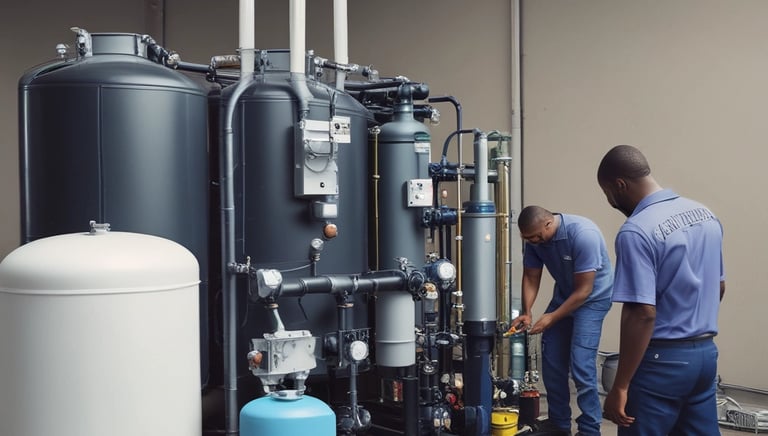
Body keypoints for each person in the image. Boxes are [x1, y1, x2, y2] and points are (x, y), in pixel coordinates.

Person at [597, 144, 725, 435]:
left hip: (661, 363)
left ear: (619, 185)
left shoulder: (636, 230)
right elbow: (719, 285)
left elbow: (642, 313)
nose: (610, 202)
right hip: (705, 356)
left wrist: (621, 385)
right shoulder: (704, 214)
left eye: (607, 194)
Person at [511, 205, 613, 436]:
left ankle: (589, 429)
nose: (533, 241)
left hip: (592, 300)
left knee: (581, 363)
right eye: (528, 238)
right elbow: (531, 275)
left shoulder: (583, 234)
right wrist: (527, 312)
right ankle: (559, 424)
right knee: (552, 358)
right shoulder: (535, 239)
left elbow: (584, 291)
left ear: (548, 224)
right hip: (565, 296)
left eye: (535, 236)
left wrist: (552, 317)